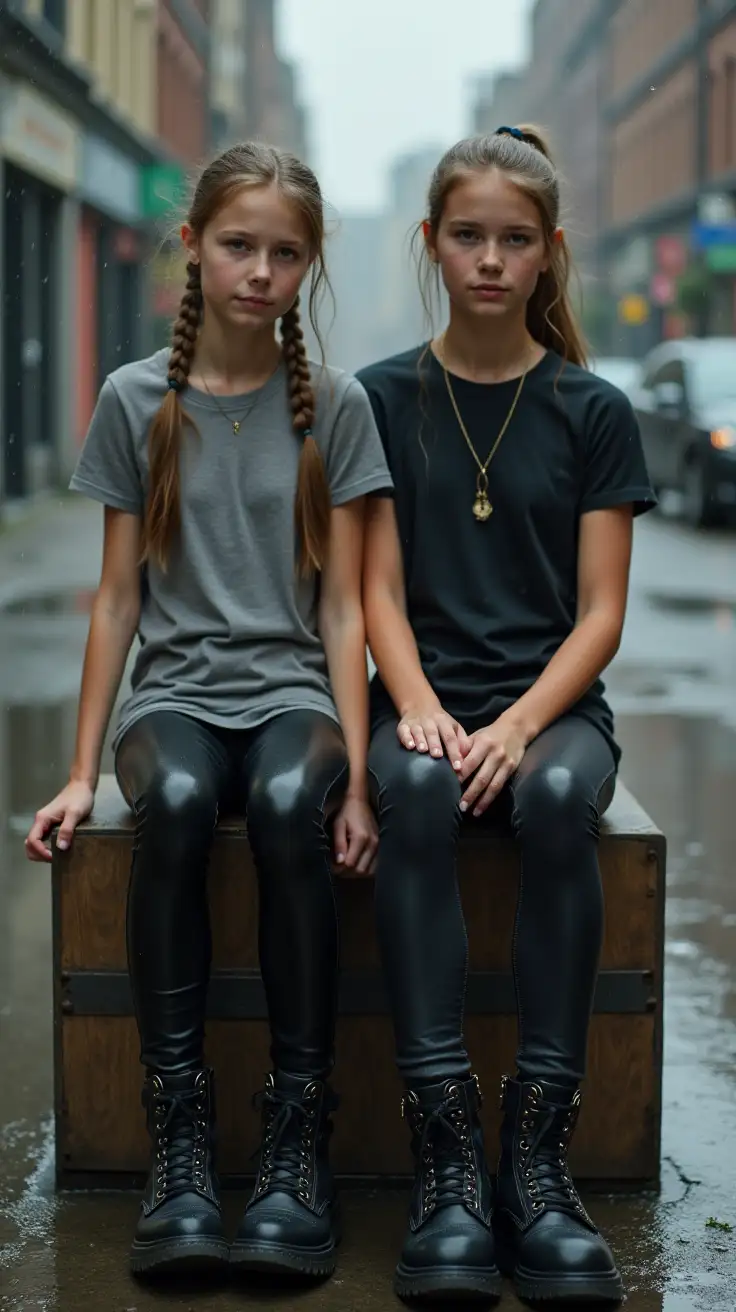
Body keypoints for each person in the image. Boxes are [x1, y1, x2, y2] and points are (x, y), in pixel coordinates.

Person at [25, 142, 392, 1281]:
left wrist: (363, 783)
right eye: (238, 245)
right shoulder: (138, 398)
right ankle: (178, 1143)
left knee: (288, 804)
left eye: (286, 253)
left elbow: (343, 614)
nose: (260, 272)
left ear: (308, 265)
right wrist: (83, 772)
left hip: (294, 697)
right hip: (175, 695)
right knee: (176, 802)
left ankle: (296, 1139)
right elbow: (119, 597)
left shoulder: (336, 405)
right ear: (193, 247)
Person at [359, 125, 656, 1305]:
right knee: (419, 790)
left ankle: (535, 1164)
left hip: (556, 710)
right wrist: (422, 708)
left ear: (548, 254)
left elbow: (600, 615)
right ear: (431, 243)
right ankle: (446, 1164)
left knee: (547, 803)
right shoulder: (377, 398)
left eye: (514, 240)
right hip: (423, 701)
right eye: (468, 235)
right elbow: (371, 587)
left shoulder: (592, 410)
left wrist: (525, 722)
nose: (490, 258)